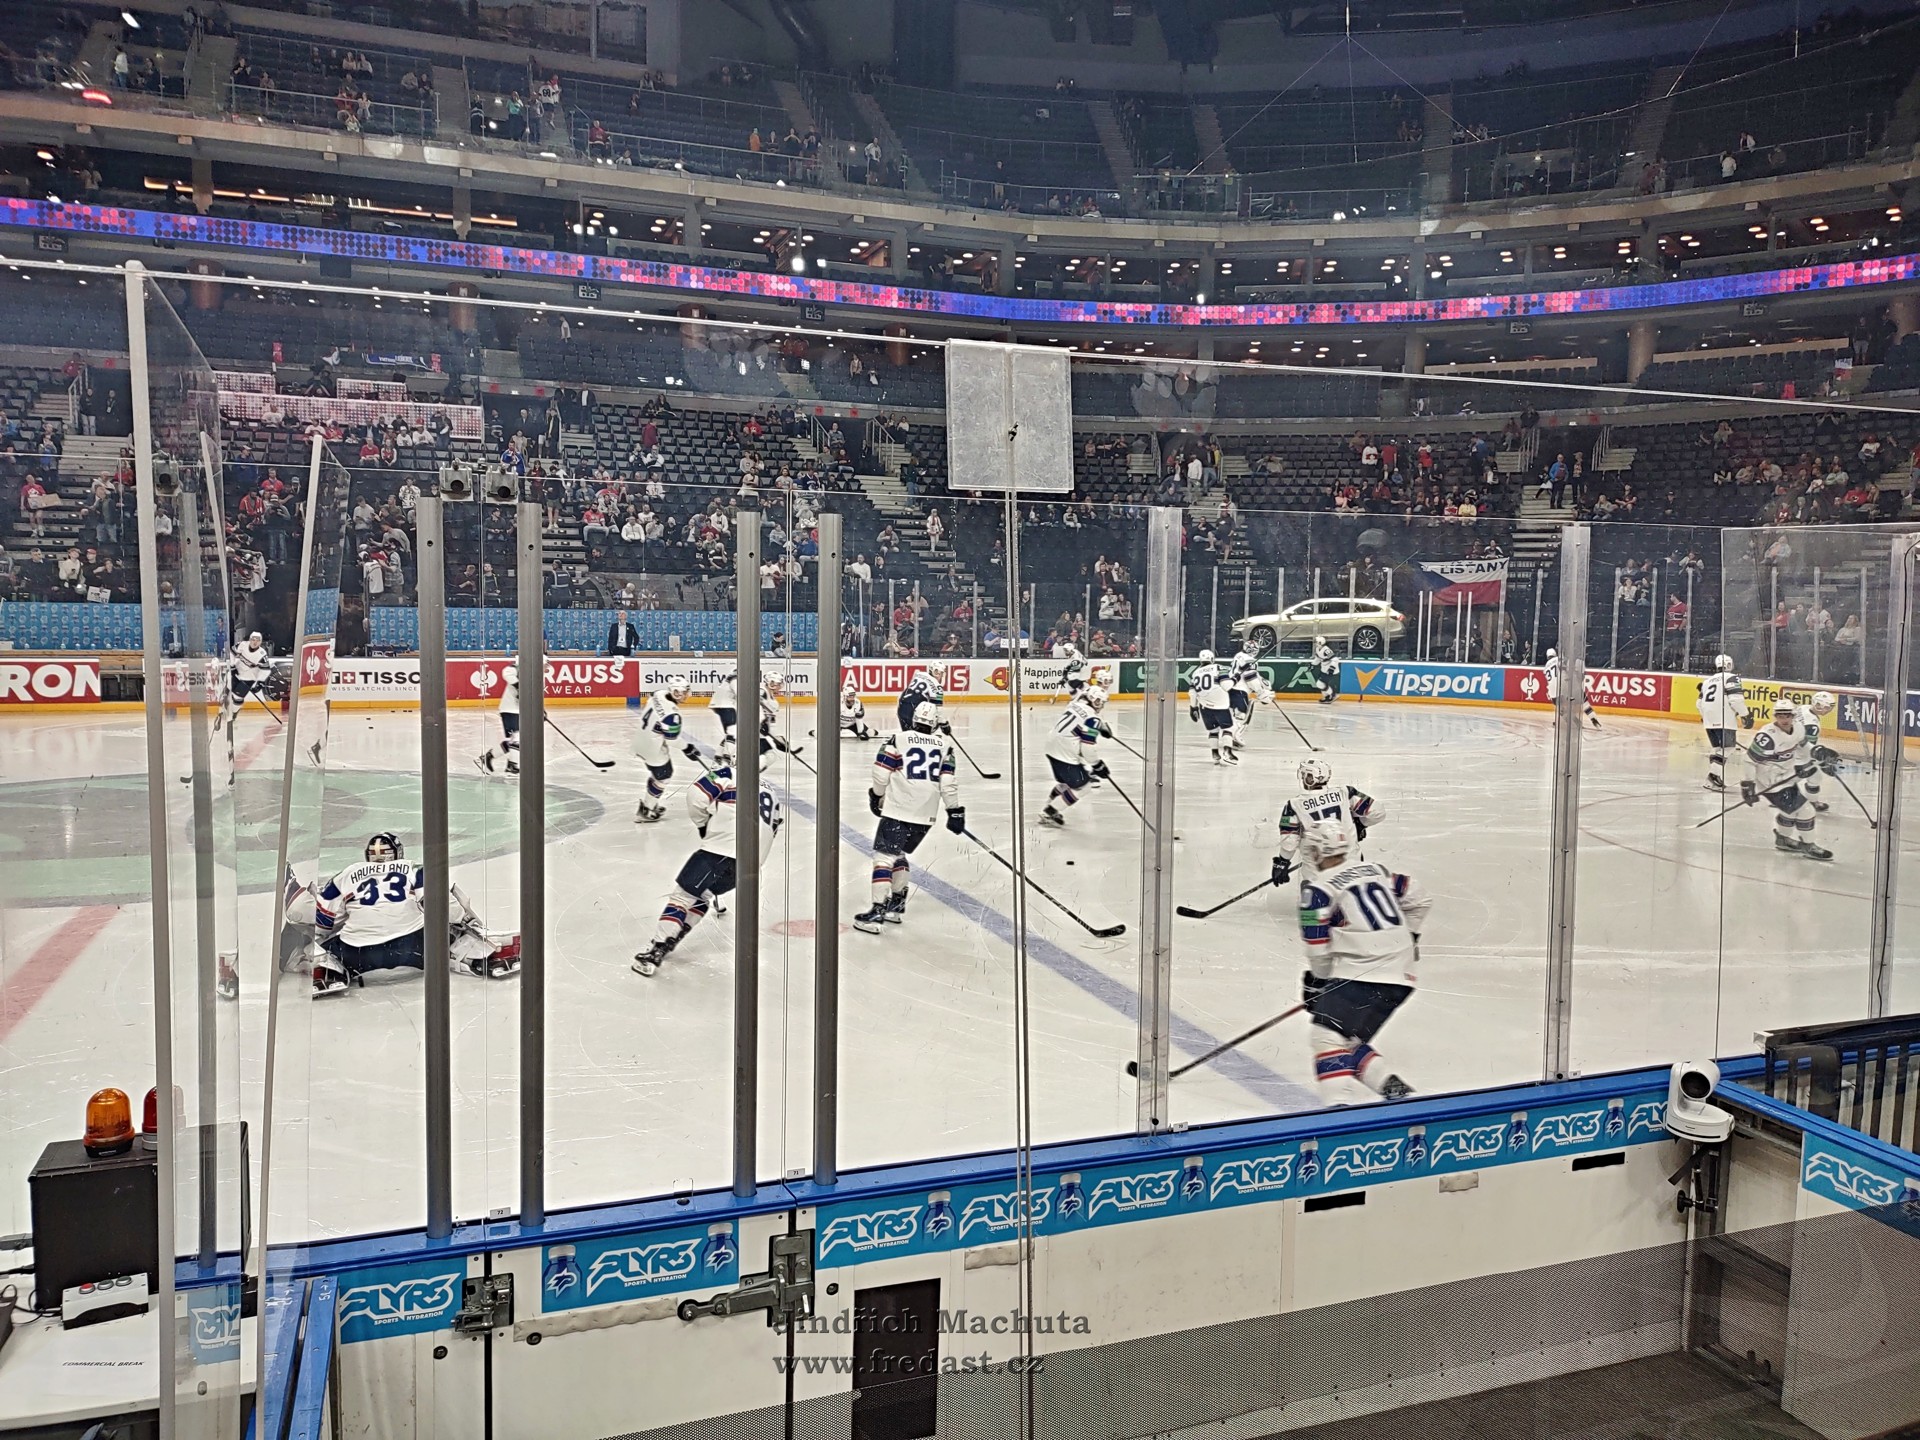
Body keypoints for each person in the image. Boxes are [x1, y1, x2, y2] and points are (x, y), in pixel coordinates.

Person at [1296, 818, 1428, 1101]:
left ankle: (1337, 1110)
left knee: (1326, 1037)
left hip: (1363, 972)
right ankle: (1399, 1096)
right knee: (1347, 1041)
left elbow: (1317, 950)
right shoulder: (1377, 871)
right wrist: (1410, 938)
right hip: (1402, 974)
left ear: (1317, 851)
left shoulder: (1317, 891)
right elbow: (1419, 898)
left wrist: (1319, 982)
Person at [313, 833, 520, 996]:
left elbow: (322, 922)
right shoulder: (414, 868)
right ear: (397, 853)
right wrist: (466, 921)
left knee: (323, 947)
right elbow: (444, 906)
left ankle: (327, 971)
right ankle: (481, 953)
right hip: (417, 947)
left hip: (359, 954)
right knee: (450, 931)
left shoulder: (346, 874)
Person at [632, 758, 782, 975]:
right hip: (753, 864)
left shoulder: (729, 773)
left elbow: (696, 795)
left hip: (721, 850)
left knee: (683, 895)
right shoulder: (772, 792)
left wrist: (703, 825)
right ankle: (674, 937)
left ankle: (657, 949)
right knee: (703, 895)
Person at [855, 702, 964, 932]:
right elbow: (947, 783)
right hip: (925, 816)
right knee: (899, 854)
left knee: (884, 857)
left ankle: (877, 911)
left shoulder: (898, 740)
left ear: (913, 719)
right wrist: (954, 811)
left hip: (898, 810)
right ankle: (895, 907)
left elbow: (881, 773)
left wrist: (876, 796)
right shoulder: (946, 746)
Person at [1746, 696, 1835, 862]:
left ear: (1793, 715)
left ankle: (1783, 839)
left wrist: (1816, 752)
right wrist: (1747, 785)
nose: (1784, 719)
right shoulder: (1767, 736)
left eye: (1787, 715)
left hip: (1786, 775)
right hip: (1771, 781)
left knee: (1792, 811)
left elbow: (1804, 745)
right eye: (1780, 716)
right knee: (1806, 810)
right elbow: (1750, 761)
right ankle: (1808, 845)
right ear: (1775, 716)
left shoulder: (1798, 728)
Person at [1273, 759, 1382, 885]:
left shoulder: (1294, 806)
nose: (1302, 778)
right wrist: (1360, 824)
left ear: (1310, 778)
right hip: (1353, 872)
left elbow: (1289, 842)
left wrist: (1282, 862)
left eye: (1304, 775)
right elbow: (1378, 812)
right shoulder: (1346, 793)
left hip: (1317, 879)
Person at [1039, 685, 1110, 828]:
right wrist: (1097, 765)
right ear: (1094, 700)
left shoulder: (1074, 704)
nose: (1101, 705)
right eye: (1100, 702)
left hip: (1052, 747)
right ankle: (1050, 811)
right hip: (1064, 754)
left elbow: (1084, 717)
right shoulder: (1093, 720)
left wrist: (1102, 727)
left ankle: (1048, 807)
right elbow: (1087, 748)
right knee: (1084, 787)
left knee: (1067, 784)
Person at [632, 679, 693, 823]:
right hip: (653, 748)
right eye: (684, 692)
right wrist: (688, 748)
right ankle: (647, 810)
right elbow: (672, 739)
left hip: (641, 739)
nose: (687, 695)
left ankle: (650, 803)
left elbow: (653, 703)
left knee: (657, 774)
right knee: (664, 776)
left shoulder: (659, 694)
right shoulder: (672, 715)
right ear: (676, 693)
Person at [1695, 653, 1750, 793]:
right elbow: (1736, 700)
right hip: (1725, 719)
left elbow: (1699, 703)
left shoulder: (1707, 681)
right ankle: (1713, 777)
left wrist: (1705, 716)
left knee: (1718, 749)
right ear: (1729, 665)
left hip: (1709, 720)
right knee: (1728, 748)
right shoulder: (1731, 678)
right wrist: (1745, 715)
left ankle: (1716, 777)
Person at [1188, 649, 1236, 765]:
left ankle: (1215, 754)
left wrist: (1193, 708)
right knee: (1228, 728)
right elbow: (1226, 686)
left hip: (1204, 706)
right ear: (1212, 659)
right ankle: (1227, 751)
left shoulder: (1195, 673)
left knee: (1213, 731)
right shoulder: (1218, 668)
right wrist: (1235, 679)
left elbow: (1192, 693)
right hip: (1220, 705)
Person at [1794, 690, 1837, 816]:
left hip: (1787, 747)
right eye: (1827, 707)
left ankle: (1811, 801)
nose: (1829, 710)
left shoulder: (1803, 708)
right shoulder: (1811, 724)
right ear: (1818, 705)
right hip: (1796, 754)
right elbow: (1807, 747)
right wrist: (1823, 762)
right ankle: (1783, 797)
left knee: (1813, 776)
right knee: (1813, 776)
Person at [475, 660, 520, 774]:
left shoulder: (537, 677)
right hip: (510, 709)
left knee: (516, 739)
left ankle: (488, 758)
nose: (546, 668)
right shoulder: (519, 669)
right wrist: (518, 685)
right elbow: (507, 672)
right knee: (517, 738)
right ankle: (512, 765)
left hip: (520, 711)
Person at [226, 630, 274, 728]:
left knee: (238, 697)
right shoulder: (242, 645)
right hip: (236, 672)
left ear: (260, 642)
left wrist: (259, 682)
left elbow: (265, 670)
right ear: (250, 639)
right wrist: (232, 666)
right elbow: (231, 653)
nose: (255, 642)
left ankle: (234, 713)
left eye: (257, 640)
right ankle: (227, 709)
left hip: (249, 678)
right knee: (228, 690)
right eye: (253, 639)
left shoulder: (262, 654)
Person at [1544, 648, 1600, 729]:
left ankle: (1575, 722)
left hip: (1552, 690)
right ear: (1555, 654)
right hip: (1564, 684)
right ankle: (1593, 718)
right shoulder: (1559, 659)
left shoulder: (1546, 667)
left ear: (1547, 657)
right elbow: (1567, 668)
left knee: (1561, 708)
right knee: (1583, 700)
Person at [1227, 644, 1265, 749]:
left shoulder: (1239, 655)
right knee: (1241, 716)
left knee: (1235, 715)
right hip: (1240, 690)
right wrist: (1260, 692)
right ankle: (1233, 737)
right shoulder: (1250, 659)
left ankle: (1230, 736)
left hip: (1230, 688)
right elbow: (1250, 677)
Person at [897, 662, 945, 730]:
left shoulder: (919, 674)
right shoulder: (938, 688)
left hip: (901, 704)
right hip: (913, 708)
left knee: (907, 732)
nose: (941, 676)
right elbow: (938, 709)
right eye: (941, 673)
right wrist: (944, 724)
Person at [839, 672, 877, 741]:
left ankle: (873, 731)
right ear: (844, 697)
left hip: (853, 724)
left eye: (853, 696)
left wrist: (860, 732)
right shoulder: (838, 703)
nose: (852, 699)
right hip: (838, 724)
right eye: (850, 697)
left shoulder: (858, 704)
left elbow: (859, 719)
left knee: (869, 734)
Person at [1310, 635, 1340, 705]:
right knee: (1321, 684)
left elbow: (1335, 659)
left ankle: (1333, 694)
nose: (1315, 643)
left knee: (1320, 684)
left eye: (1316, 642)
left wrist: (1331, 668)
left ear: (1320, 643)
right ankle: (1327, 696)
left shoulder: (1326, 650)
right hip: (1324, 669)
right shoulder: (1317, 649)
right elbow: (1318, 659)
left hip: (1330, 670)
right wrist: (1312, 664)